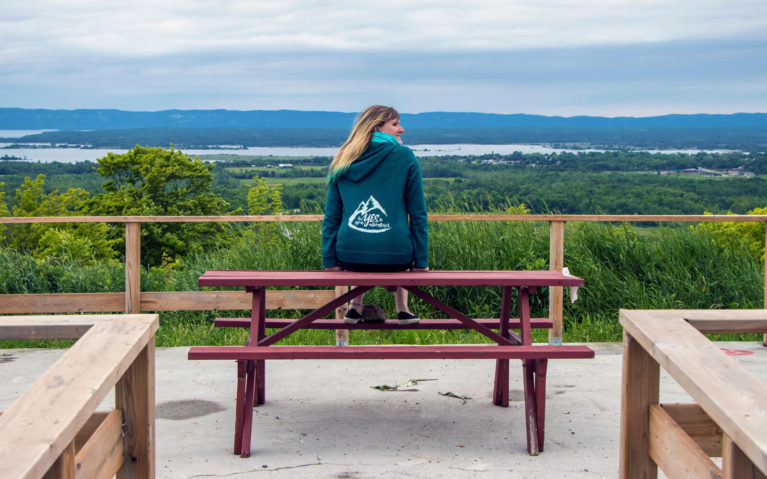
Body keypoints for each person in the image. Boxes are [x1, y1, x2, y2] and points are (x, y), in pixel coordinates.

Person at [321, 105, 429, 325]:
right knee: (396, 244)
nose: (402, 129)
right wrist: (421, 261)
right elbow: (418, 214)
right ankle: (403, 309)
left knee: (365, 252)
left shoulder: (344, 157)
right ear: (377, 126)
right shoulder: (405, 156)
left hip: (349, 255)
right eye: (395, 124)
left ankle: (354, 307)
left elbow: (332, 216)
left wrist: (329, 260)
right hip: (396, 256)